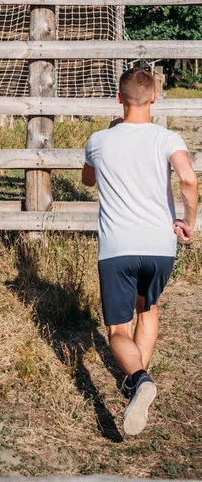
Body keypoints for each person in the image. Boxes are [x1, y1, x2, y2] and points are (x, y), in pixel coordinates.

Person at [82, 68, 198, 436]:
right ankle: (136, 383)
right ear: (154, 98)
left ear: (119, 99)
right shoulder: (167, 138)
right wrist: (189, 221)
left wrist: (113, 135)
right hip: (160, 246)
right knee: (147, 309)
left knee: (118, 327)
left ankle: (140, 379)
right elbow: (188, 179)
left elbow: (88, 179)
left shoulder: (99, 140)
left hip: (118, 246)